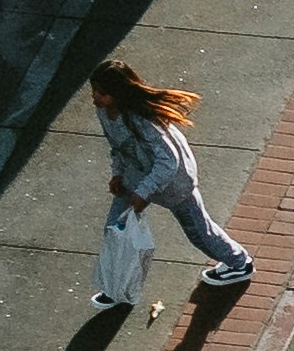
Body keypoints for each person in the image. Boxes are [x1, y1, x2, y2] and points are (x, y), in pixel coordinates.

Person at [86, 62, 254, 317]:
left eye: (101, 93)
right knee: (116, 230)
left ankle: (239, 262)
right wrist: (118, 174)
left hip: (173, 183)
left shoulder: (142, 120)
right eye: (94, 91)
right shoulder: (105, 111)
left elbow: (169, 160)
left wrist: (143, 192)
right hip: (136, 175)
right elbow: (117, 147)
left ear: (118, 93)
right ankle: (118, 287)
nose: (95, 98)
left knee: (199, 232)